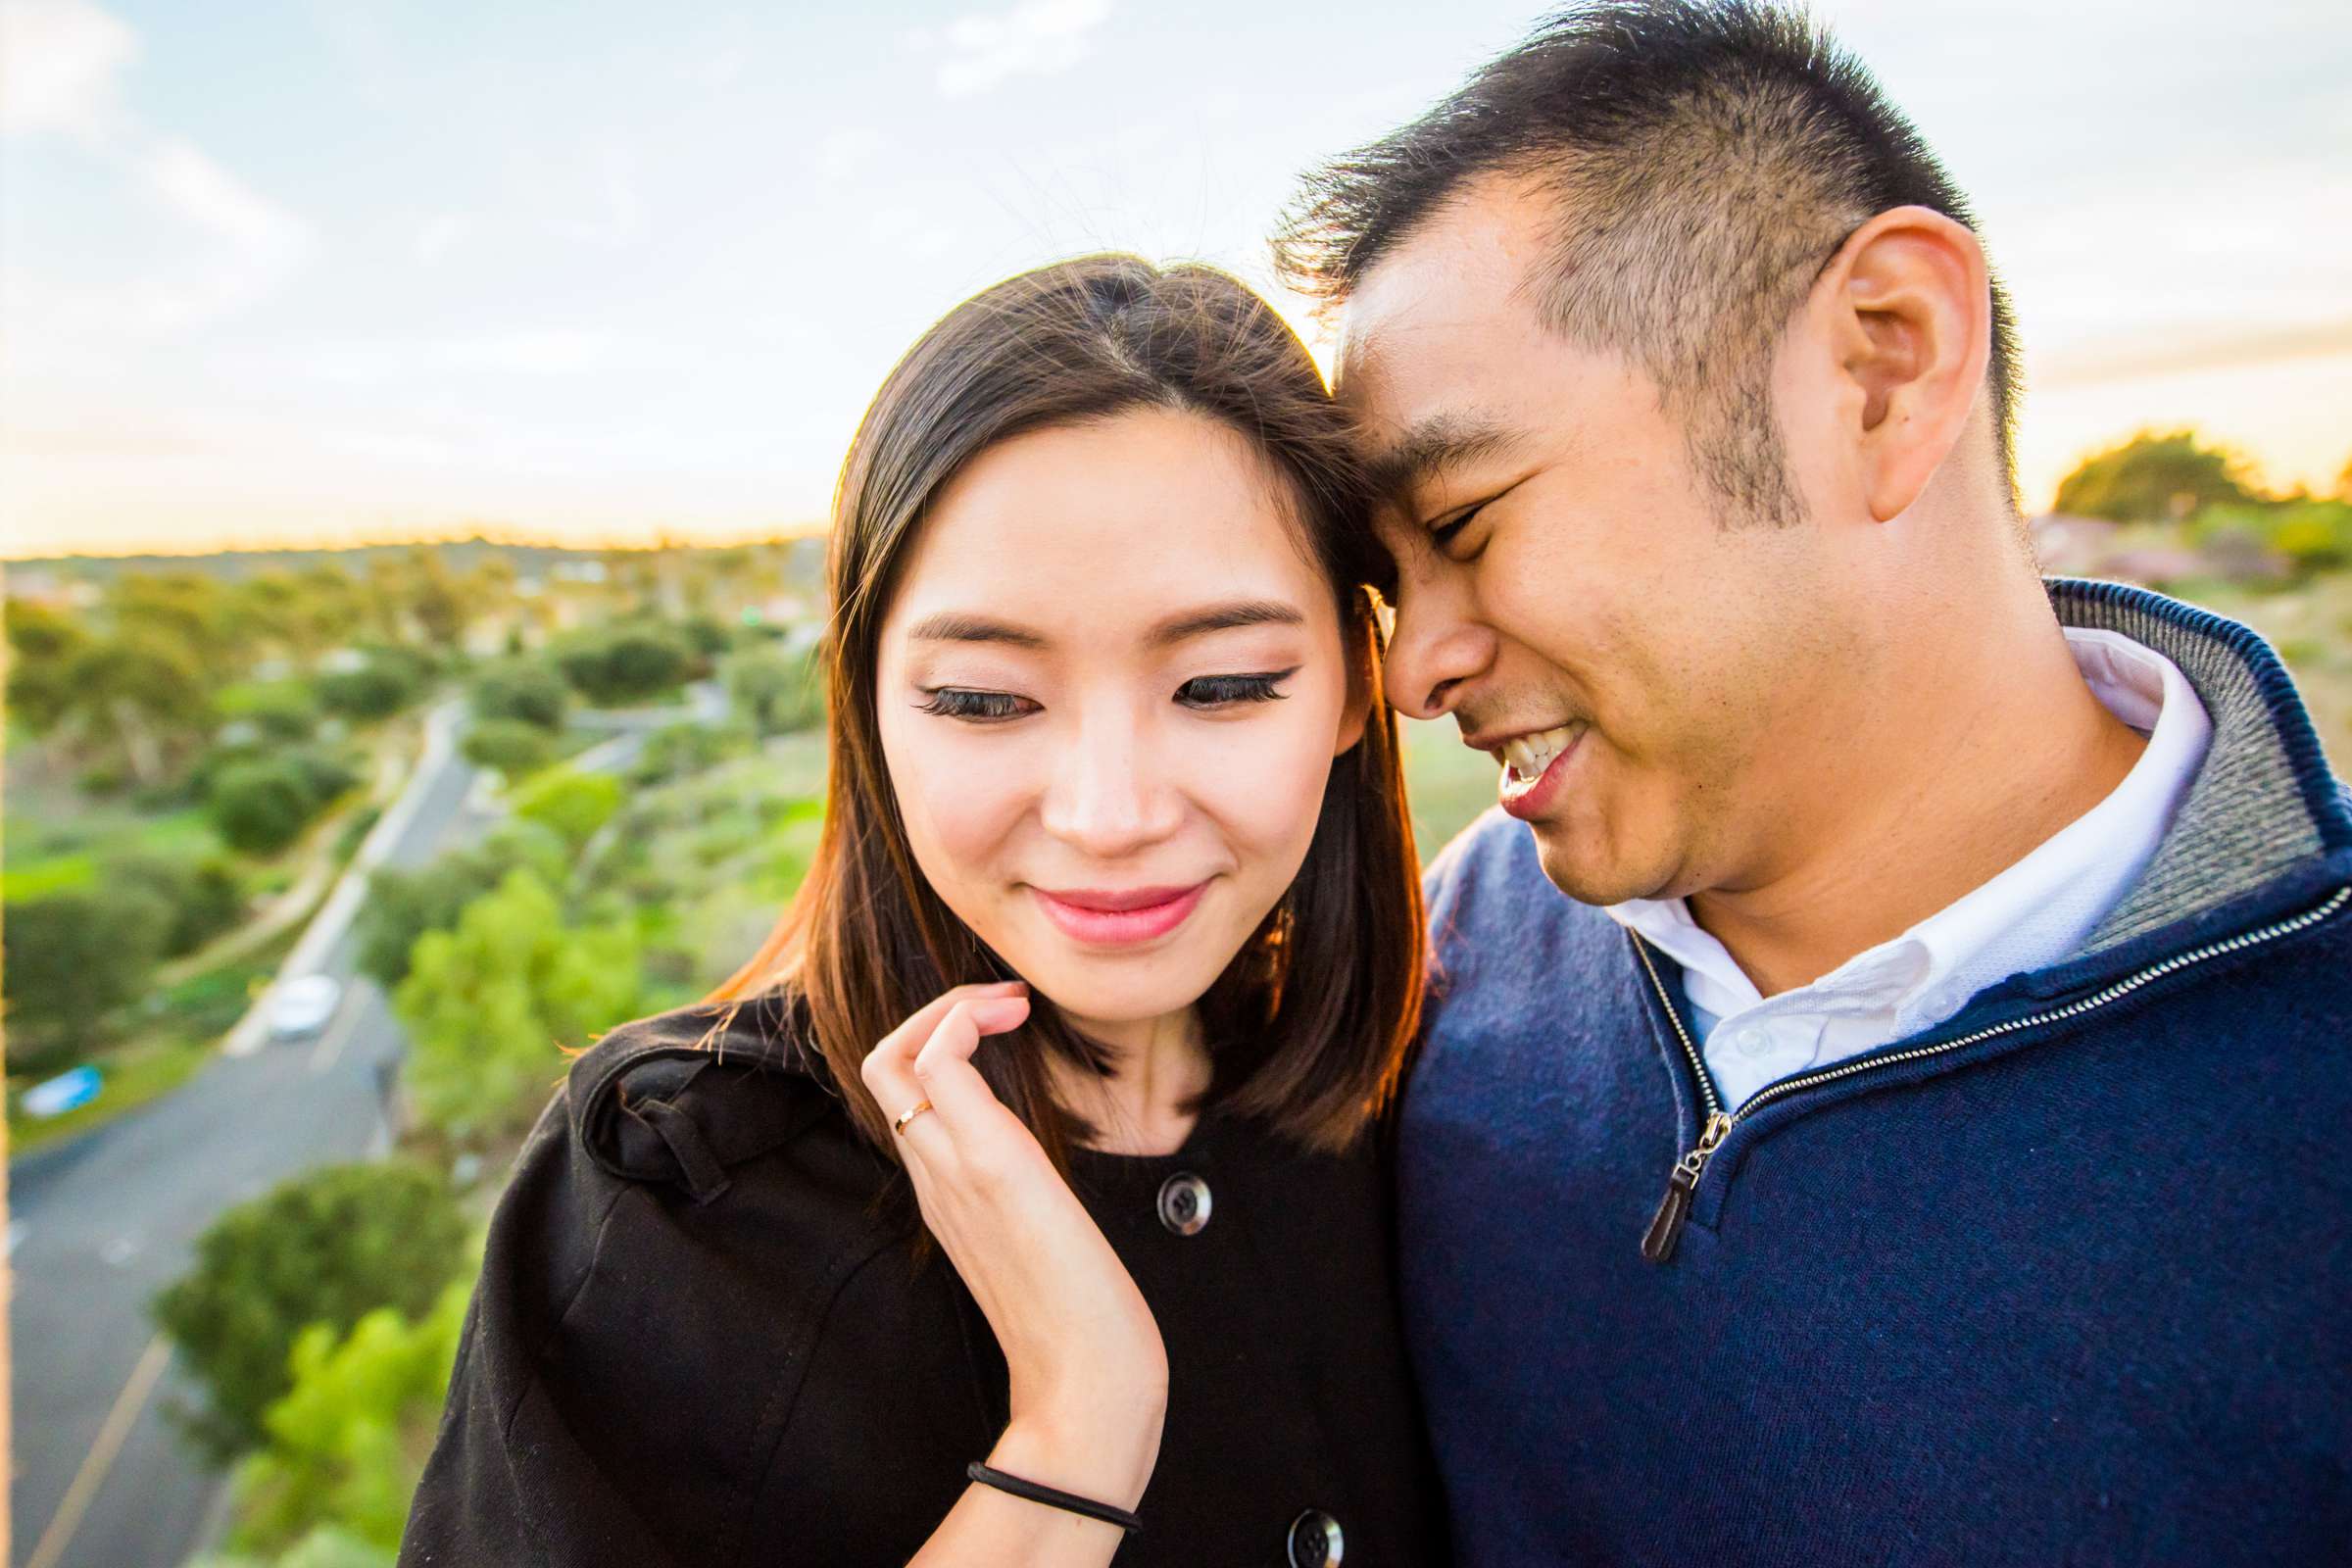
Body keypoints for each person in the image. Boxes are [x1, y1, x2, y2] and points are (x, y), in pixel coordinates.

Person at [1271, 2, 2352, 1563]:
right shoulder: (1449, 963)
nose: (1407, 672)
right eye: (1382, 586)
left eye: (1470, 522)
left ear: (1881, 371)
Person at [396, 256, 1442, 1567]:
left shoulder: (1448, 1105)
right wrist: (1076, 1432)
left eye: (1223, 685)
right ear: (872, 711)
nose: (1107, 814)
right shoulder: (680, 1204)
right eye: (988, 700)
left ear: (1354, 686)